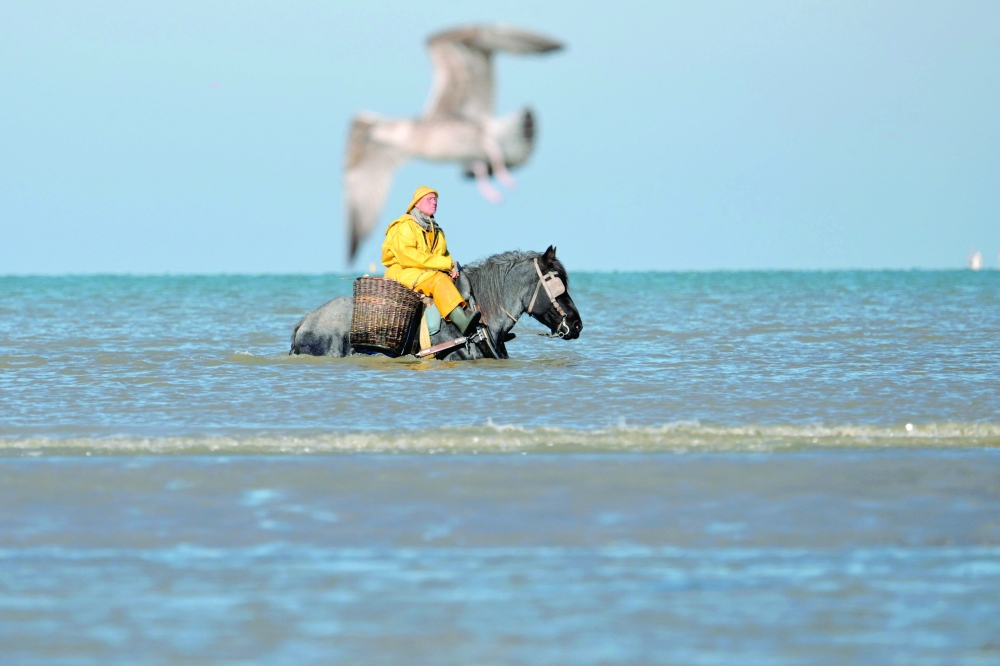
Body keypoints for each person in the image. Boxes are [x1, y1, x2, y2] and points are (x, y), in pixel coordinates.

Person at [381, 186, 480, 334]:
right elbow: (409, 257)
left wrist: (452, 268)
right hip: (403, 273)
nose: (434, 202)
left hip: (425, 273)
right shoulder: (404, 225)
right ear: (416, 203)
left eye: (435, 199)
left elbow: (444, 255)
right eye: (429, 199)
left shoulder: (436, 230)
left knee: (461, 277)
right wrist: (445, 265)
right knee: (439, 279)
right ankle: (463, 322)